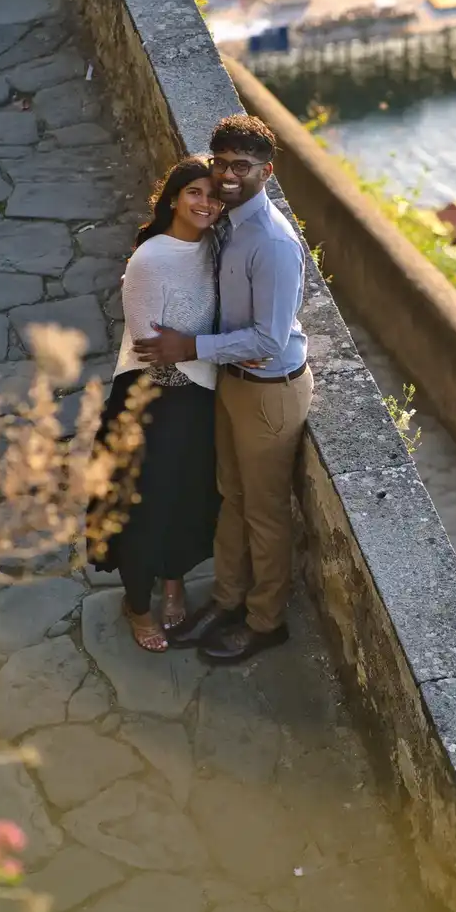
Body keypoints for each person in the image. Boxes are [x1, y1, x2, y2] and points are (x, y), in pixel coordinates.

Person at [133, 115, 313, 665]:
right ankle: (229, 599)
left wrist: (191, 347)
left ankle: (265, 620)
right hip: (234, 382)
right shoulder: (228, 221)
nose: (228, 176)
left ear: (266, 171)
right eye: (221, 163)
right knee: (230, 498)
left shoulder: (273, 243)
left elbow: (268, 337)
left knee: (264, 512)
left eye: (242, 166)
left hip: (268, 390)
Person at [87, 159, 222, 653]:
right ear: (172, 198)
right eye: (194, 193)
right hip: (152, 400)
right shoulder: (150, 259)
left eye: (213, 196)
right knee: (144, 503)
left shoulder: (213, 248)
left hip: (198, 396)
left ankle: (173, 579)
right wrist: (196, 361)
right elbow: (148, 346)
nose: (205, 203)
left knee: (188, 497)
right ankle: (138, 605)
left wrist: (196, 357)